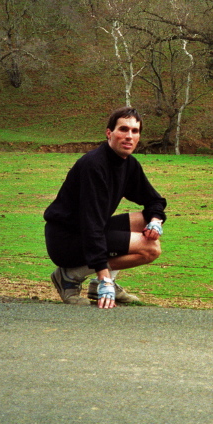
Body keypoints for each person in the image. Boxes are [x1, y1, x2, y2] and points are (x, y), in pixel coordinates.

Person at [44, 106, 166, 308]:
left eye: (134, 131)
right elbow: (91, 224)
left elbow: (154, 200)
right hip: (66, 240)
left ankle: (96, 284)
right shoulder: (94, 165)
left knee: (146, 220)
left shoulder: (128, 164)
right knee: (150, 249)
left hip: (90, 229)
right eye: (123, 129)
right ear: (109, 133)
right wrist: (104, 277)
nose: (129, 136)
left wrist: (155, 221)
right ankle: (69, 276)